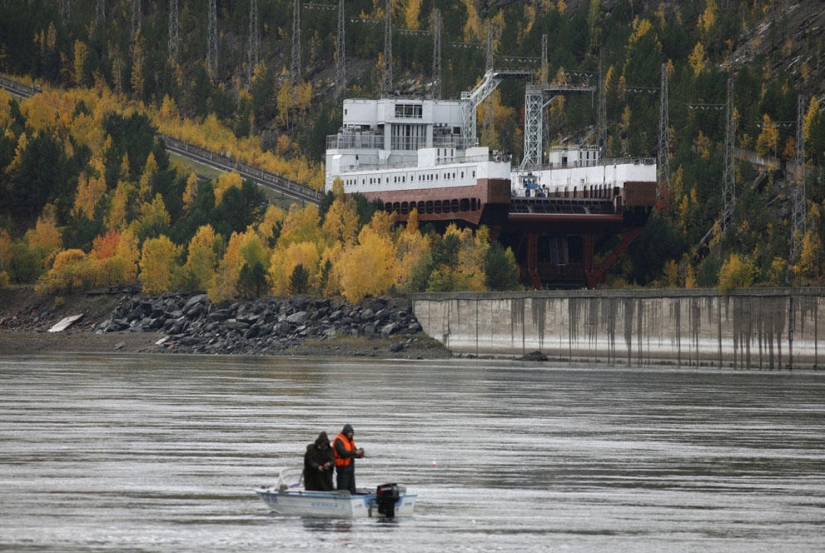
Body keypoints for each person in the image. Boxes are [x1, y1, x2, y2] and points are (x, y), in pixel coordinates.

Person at [332, 424, 364, 494]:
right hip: (342, 470)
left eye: (352, 432)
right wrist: (356, 452)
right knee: (343, 490)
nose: (351, 434)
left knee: (352, 491)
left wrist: (359, 454)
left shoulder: (350, 441)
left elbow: (353, 453)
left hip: (350, 470)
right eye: (349, 432)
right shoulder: (339, 441)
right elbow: (344, 453)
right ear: (345, 432)